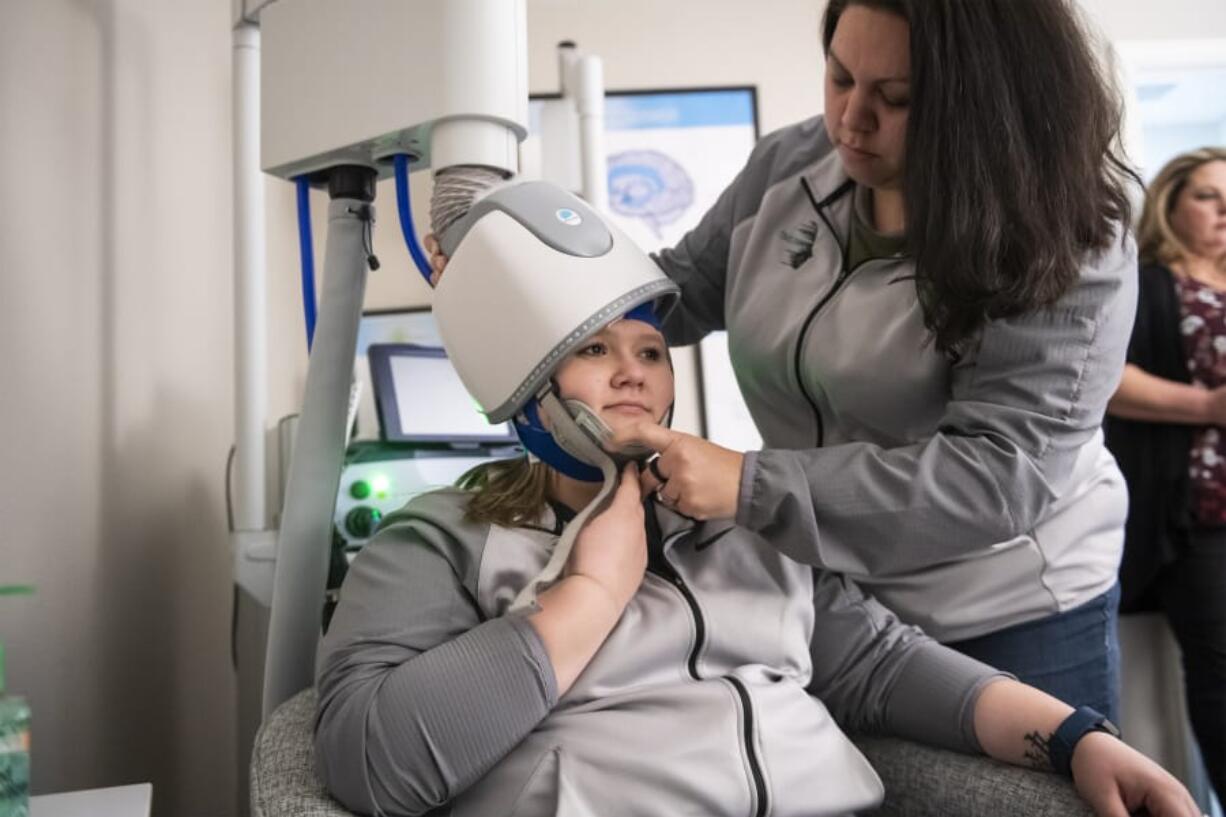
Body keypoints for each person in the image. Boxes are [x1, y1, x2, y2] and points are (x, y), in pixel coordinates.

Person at [427, 0, 1138, 720]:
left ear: (985, 107)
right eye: (839, 77)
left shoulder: (1068, 241)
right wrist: (522, 285)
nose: (851, 121)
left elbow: (999, 476)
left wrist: (749, 484)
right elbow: (676, 294)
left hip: (1000, 604)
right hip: (829, 592)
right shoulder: (789, 166)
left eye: (897, 99)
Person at [314, 308, 1197, 817]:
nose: (632, 372)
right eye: (592, 349)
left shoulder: (740, 520)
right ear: (527, 388)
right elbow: (369, 756)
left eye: (650, 352)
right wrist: (590, 593)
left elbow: (883, 664)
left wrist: (1077, 738)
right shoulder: (445, 534)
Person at [1104, 147, 1226, 800]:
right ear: (1172, 204)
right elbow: (1108, 381)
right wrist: (1207, 405)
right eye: (1208, 195)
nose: (1225, 209)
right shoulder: (1146, 283)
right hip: (1198, 513)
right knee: (1221, 669)